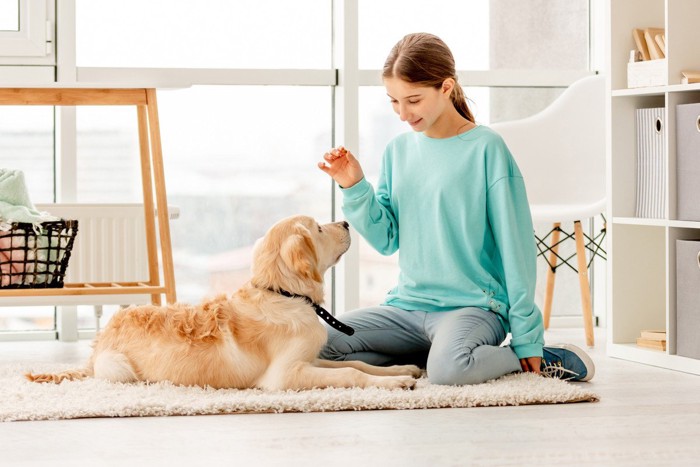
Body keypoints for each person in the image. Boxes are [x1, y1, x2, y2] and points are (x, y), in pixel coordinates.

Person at [316, 32, 595, 386]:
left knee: (450, 370)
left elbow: (517, 248)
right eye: (394, 102)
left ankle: (529, 357)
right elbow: (387, 239)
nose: (403, 114)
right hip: (407, 307)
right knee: (320, 345)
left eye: (413, 100)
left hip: (473, 308)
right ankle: (432, 354)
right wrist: (353, 185)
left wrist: (528, 338)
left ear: (446, 88)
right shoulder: (398, 151)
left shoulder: (486, 148)